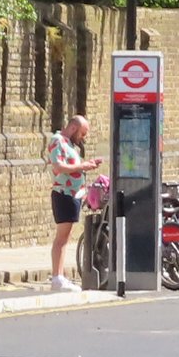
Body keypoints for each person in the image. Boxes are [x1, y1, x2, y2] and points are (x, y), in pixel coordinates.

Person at [46, 115, 101, 292]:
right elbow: (58, 167)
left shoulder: (69, 144)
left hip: (72, 194)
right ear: (72, 128)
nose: (83, 138)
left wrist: (87, 165)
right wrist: (82, 167)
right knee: (61, 238)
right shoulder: (57, 141)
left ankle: (60, 276)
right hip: (63, 194)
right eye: (82, 133)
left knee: (66, 236)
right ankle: (57, 278)